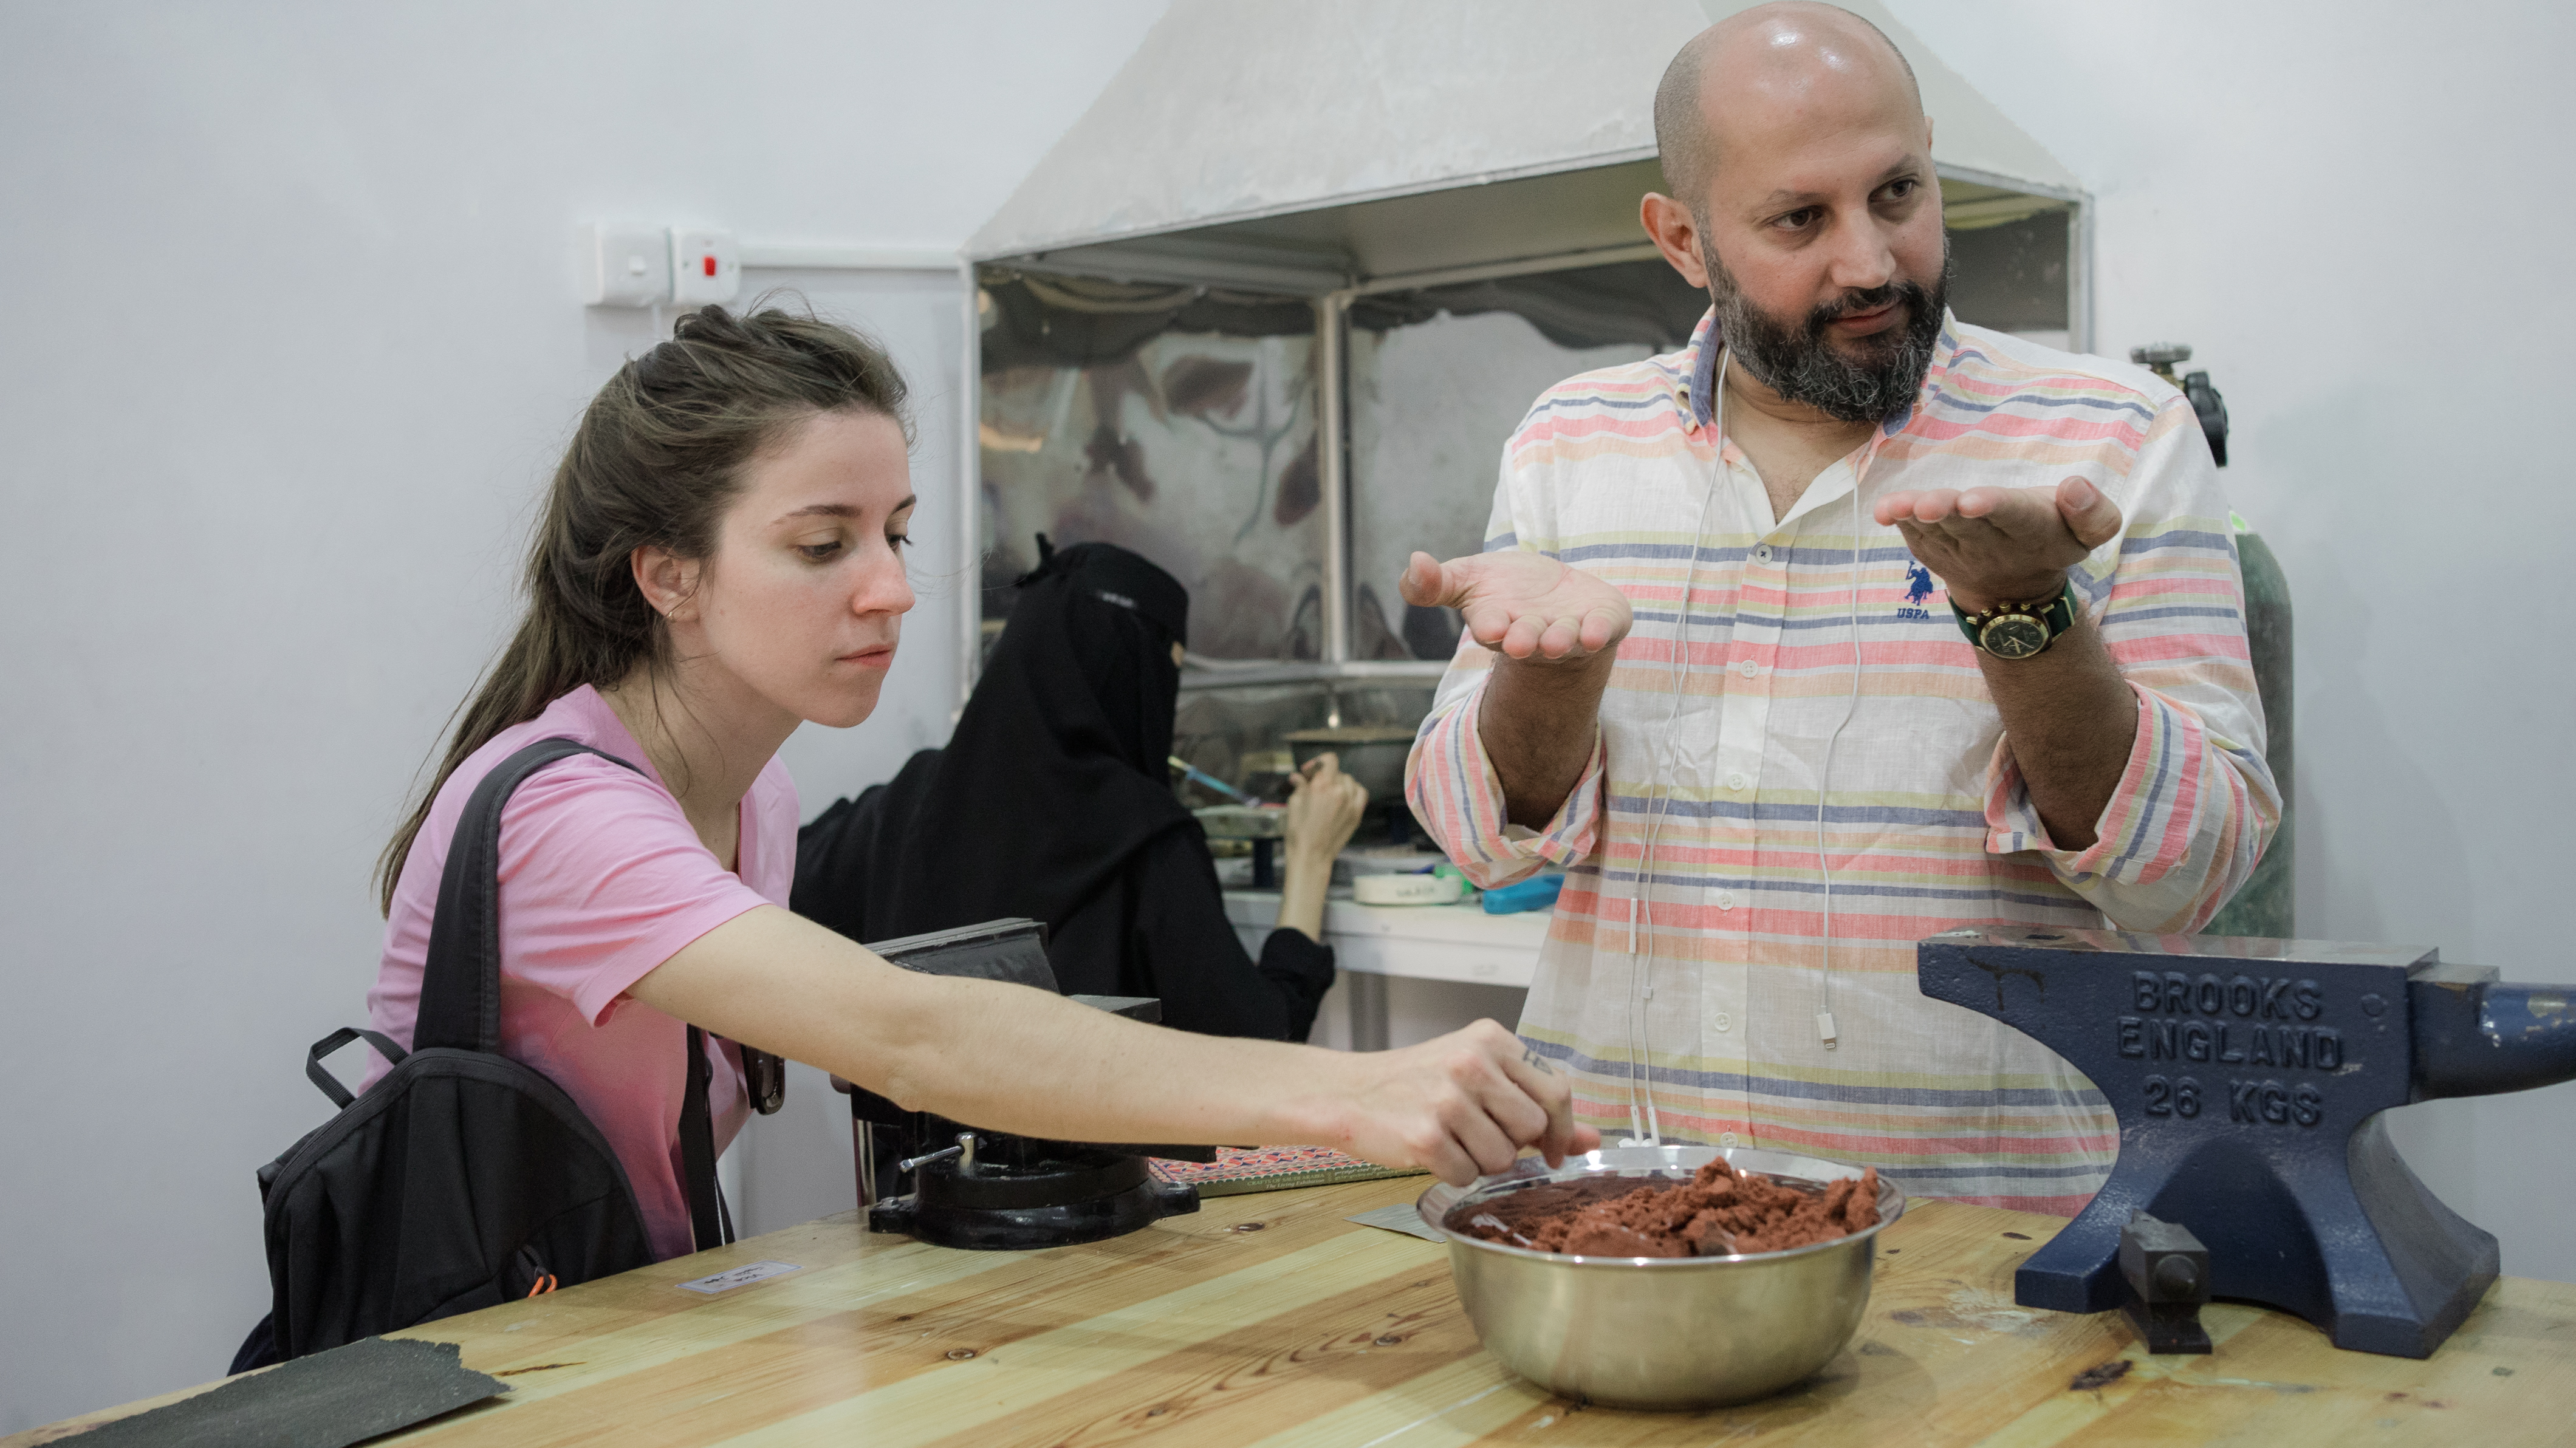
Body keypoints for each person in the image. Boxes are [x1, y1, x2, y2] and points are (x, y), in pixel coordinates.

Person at [363, 303, 1590, 1265]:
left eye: (894, 532)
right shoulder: (562, 820)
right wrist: (1353, 1091)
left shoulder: (764, 802)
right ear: (667, 575)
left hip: (620, 1342)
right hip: (476, 1366)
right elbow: (913, 1031)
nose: (891, 587)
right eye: (820, 543)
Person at [1400, 2, 2276, 1214]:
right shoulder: (1572, 442)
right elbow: (1475, 841)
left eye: (1898, 193)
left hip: (1978, 1247)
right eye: (1799, 219)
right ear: (1682, 239)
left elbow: (2193, 869)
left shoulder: (2111, 437)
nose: (1867, 261)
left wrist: (2025, 616)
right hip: (1620, 1224)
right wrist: (1545, 678)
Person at [791, 538, 1367, 1042]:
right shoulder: (1142, 837)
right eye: (1168, 672)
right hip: (1094, 1168)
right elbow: (1258, 1048)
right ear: (1132, 676)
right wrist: (1311, 859)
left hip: (914, 1166)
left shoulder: (911, 796)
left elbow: (778, 878)